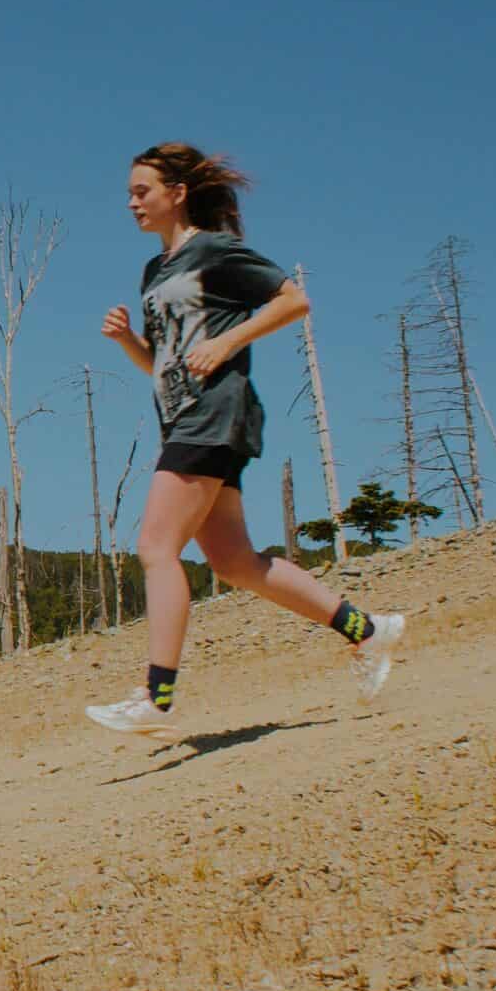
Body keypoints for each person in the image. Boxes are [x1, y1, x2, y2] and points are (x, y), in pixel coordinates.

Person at [85, 142, 403, 737]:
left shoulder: (216, 250)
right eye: (129, 193)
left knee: (156, 547)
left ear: (178, 193)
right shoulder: (155, 271)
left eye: (142, 191)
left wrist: (229, 343)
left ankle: (157, 696)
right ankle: (367, 630)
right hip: (184, 415)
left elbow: (294, 300)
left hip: (216, 412)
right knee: (234, 562)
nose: (131, 203)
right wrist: (130, 342)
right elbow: (169, 361)